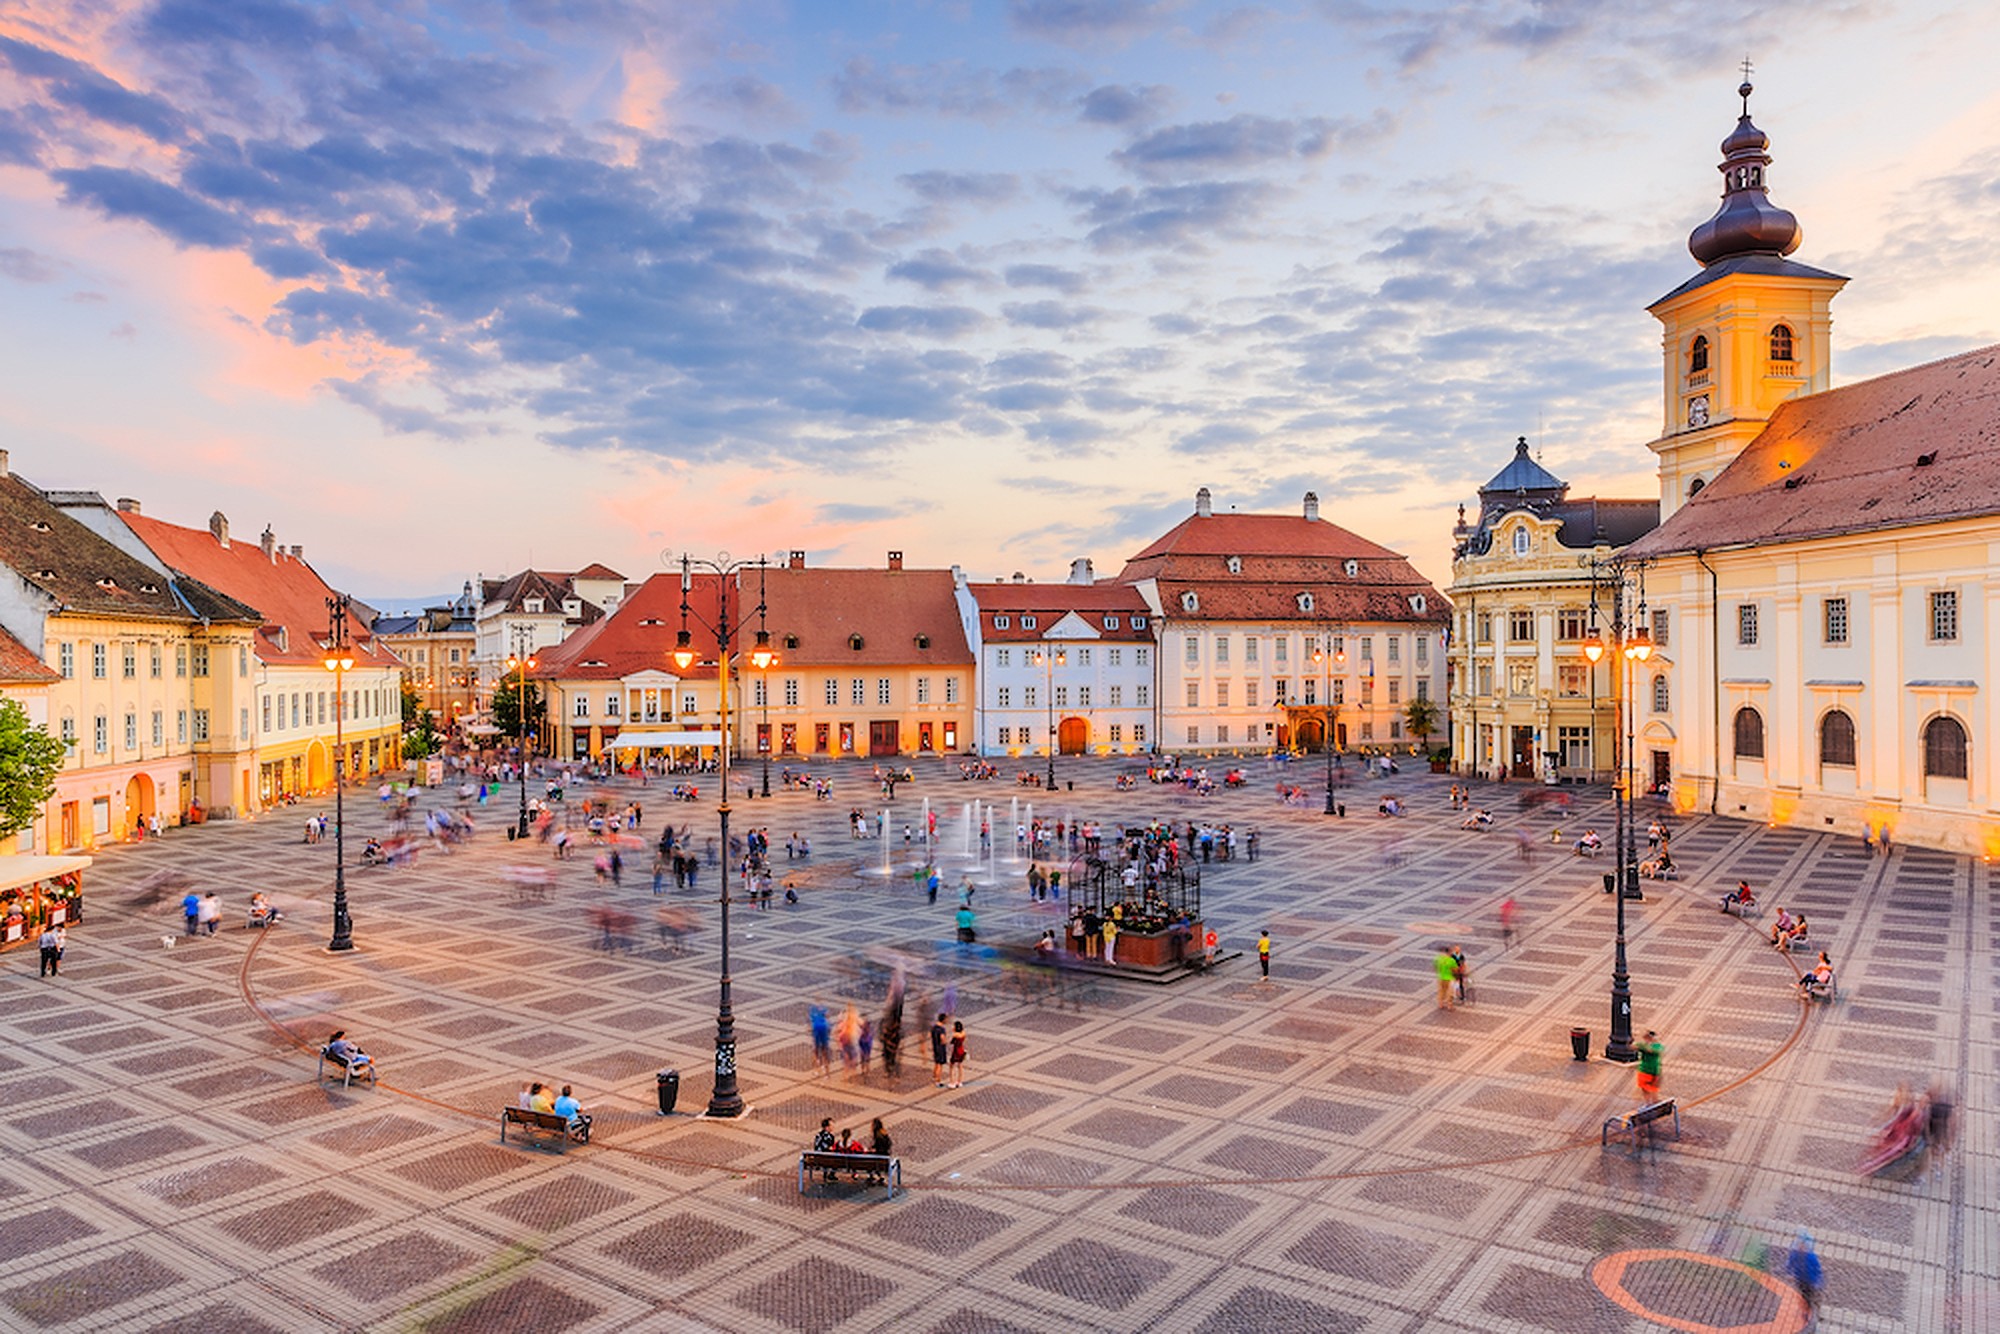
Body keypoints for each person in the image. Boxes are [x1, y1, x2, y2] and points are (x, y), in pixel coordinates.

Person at [1636, 1031, 1664, 1102]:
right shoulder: (1643, 1045)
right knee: (1645, 1089)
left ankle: (1654, 1101)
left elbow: (1652, 1050)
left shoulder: (1657, 1046)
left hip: (1654, 1071)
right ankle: (1648, 1102)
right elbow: (1632, 1046)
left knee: (1654, 1088)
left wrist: (1646, 1045)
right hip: (1645, 1070)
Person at [946, 1020, 967, 1089]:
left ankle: (952, 1082)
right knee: (960, 1066)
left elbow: (952, 1042)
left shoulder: (955, 1035)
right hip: (961, 1050)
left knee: (951, 1066)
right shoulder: (963, 1033)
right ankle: (959, 1081)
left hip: (956, 1051)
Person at [931, 1012, 950, 1087]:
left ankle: (934, 1076)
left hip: (935, 1047)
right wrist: (945, 1041)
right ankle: (938, 1081)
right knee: (940, 1065)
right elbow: (942, 1039)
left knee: (936, 1063)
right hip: (940, 1048)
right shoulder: (941, 1029)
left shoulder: (934, 1027)